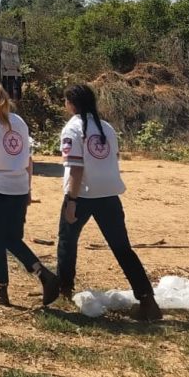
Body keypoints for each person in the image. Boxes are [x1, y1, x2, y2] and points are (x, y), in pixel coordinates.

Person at [56, 83, 162, 322]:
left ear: (71, 104)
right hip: (109, 195)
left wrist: (71, 200)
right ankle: (148, 300)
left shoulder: (72, 129)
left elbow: (76, 169)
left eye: (65, 101)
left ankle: (64, 289)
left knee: (67, 241)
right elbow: (111, 159)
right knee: (122, 248)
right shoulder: (107, 128)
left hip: (83, 194)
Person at [0, 77, 59, 306]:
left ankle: (1, 289)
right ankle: (43, 274)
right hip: (19, 187)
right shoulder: (19, 121)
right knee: (11, 238)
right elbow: (28, 160)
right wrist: (28, 189)